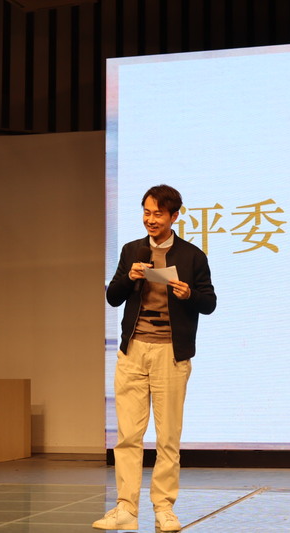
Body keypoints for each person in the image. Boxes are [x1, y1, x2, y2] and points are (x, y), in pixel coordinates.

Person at [93, 184, 217, 532]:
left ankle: (164, 508)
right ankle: (125, 508)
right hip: (133, 351)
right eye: (146, 213)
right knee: (128, 435)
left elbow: (209, 303)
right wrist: (129, 278)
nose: (151, 219)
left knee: (167, 437)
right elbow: (113, 297)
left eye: (158, 214)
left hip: (170, 353)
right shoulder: (132, 250)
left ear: (174, 216)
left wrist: (189, 294)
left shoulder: (192, 256)